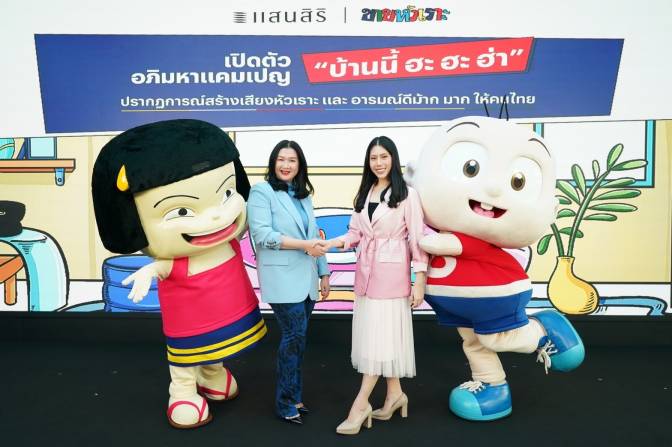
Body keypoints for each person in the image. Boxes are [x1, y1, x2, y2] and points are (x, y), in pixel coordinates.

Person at [406, 116, 584, 421]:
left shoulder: (464, 240)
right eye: (470, 169)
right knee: (473, 342)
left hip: (494, 295)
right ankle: (492, 387)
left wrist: (415, 236)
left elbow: (433, 244)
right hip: (463, 308)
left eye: (518, 182)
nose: (491, 187)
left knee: (491, 338)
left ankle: (542, 331)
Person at [91, 119, 266, 429]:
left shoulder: (231, 240)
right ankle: (183, 391)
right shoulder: (175, 261)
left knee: (216, 347)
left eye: (227, 193)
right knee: (186, 355)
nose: (217, 216)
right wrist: (148, 271)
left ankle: (211, 374)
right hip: (190, 320)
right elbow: (161, 267)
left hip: (228, 311)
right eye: (181, 211)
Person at [321, 136, 428, 435]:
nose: (378, 163)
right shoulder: (365, 193)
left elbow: (417, 239)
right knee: (378, 338)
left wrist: (419, 280)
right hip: (366, 276)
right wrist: (331, 243)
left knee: (379, 341)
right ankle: (395, 395)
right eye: (373, 158)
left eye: (384, 156)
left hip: (392, 279)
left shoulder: (407, 195)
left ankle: (360, 405)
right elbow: (354, 234)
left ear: (393, 158)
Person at [247, 140, 331, 425]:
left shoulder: (303, 195)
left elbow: (314, 235)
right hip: (281, 279)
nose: (286, 165)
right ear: (273, 163)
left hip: (306, 279)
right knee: (293, 337)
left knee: (298, 339)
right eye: (281, 159)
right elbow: (263, 236)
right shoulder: (262, 191)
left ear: (300, 165)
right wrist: (305, 245)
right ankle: (285, 403)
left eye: (292, 160)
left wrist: (324, 273)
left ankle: (294, 396)